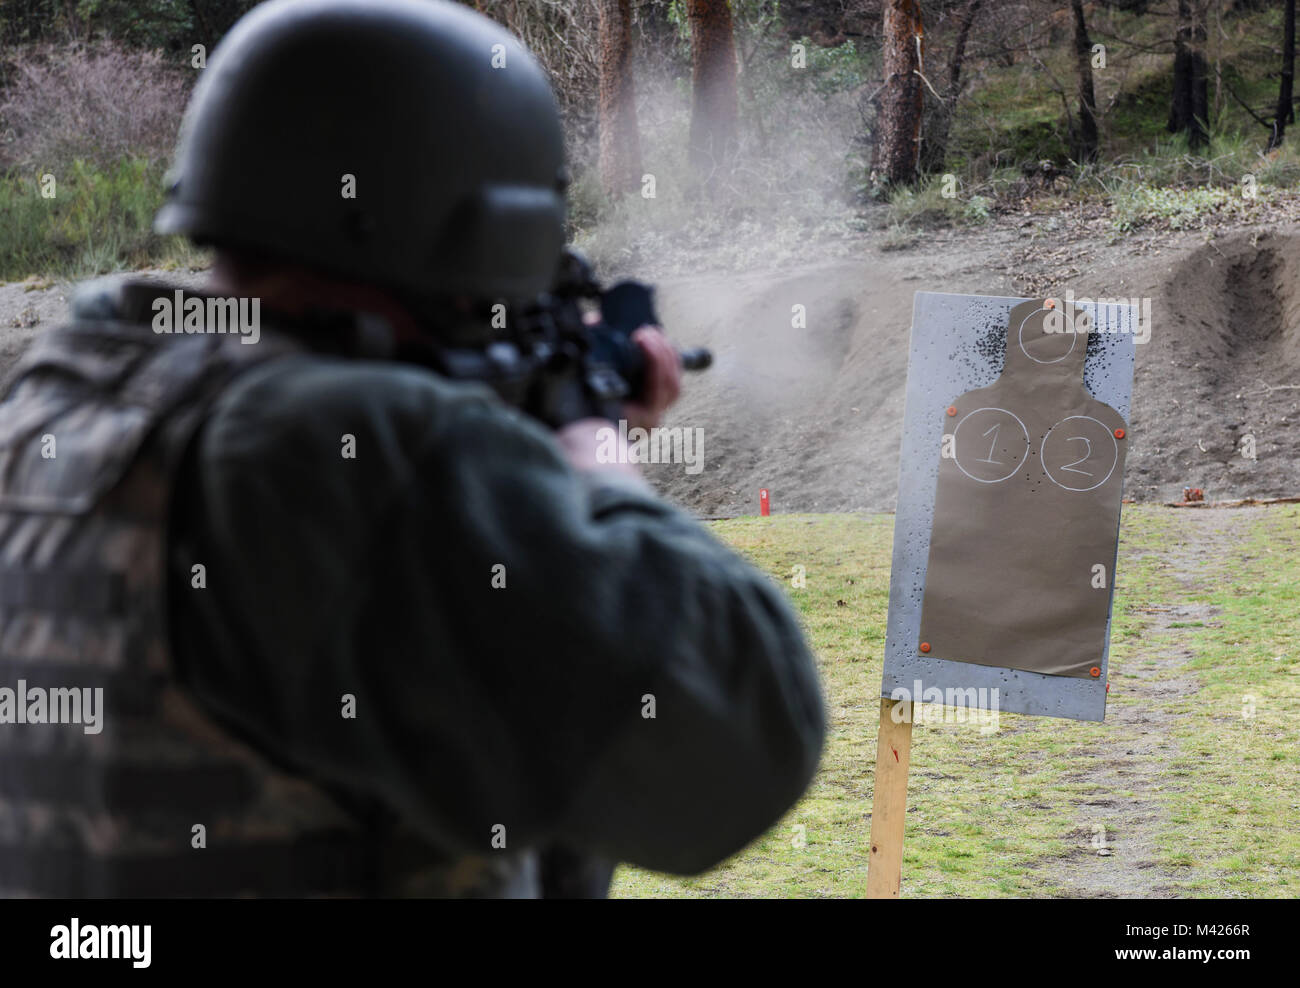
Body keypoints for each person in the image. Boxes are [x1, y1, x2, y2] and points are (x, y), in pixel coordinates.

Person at [0, 0, 824, 898]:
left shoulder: (50, 403)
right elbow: (741, 736)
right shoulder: (348, 450)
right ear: (485, 227)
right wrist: (591, 439)